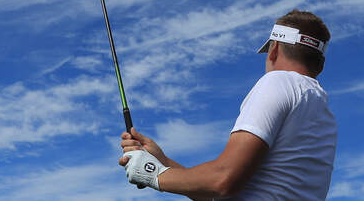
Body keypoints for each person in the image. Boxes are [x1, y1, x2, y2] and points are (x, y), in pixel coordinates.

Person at [119, 10, 337, 199]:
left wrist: (151, 173)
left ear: (274, 49)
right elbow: (220, 194)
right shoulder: (323, 113)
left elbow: (222, 181)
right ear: (321, 64)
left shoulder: (278, 82)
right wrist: (163, 162)